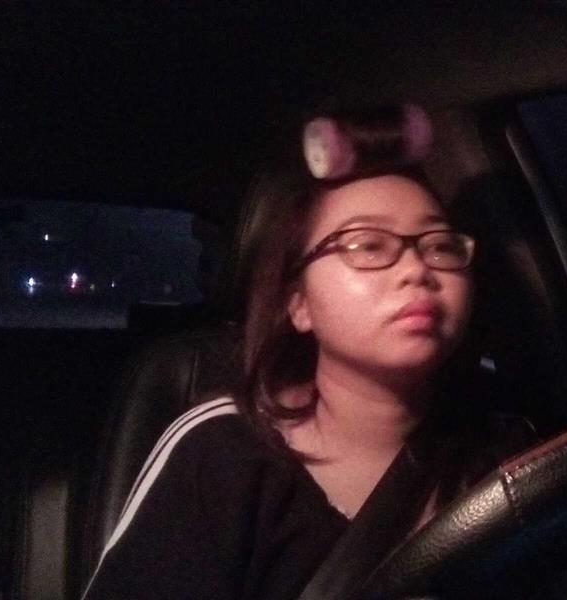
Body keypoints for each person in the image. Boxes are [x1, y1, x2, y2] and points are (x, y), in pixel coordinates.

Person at [81, 107, 535, 600]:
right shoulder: (221, 454)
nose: (416, 270)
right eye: (367, 245)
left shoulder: (508, 450)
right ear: (299, 304)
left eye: (440, 246)